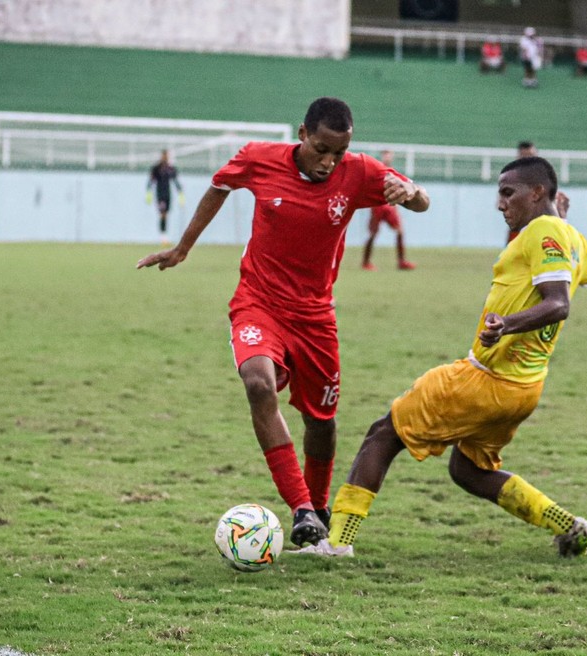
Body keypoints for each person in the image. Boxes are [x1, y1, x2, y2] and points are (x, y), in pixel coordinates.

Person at [136, 97, 430, 547]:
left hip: (315, 317)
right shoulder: (258, 158)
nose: (329, 162)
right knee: (258, 383)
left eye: (339, 152)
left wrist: (409, 193)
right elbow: (218, 187)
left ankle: (317, 506)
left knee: (322, 422)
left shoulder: (360, 171)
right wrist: (183, 247)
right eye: (321, 149)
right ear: (302, 134)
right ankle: (301, 508)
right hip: (258, 303)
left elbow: (421, 202)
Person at [294, 156, 587, 559]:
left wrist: (506, 325)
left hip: (486, 379)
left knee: (383, 434)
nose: (500, 204)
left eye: (507, 192)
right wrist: (569, 235)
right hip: (525, 389)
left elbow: (558, 304)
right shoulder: (570, 238)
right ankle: (570, 527)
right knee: (468, 471)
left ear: (538, 192)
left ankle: (337, 542)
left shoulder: (544, 231)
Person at [362, 151, 417, 271]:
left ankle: (401, 261)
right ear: (382, 157)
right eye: (386, 155)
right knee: (373, 234)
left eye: (389, 155)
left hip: (390, 205)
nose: (388, 157)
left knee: (400, 231)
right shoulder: (377, 169)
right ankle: (366, 262)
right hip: (377, 206)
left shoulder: (393, 172)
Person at [147, 150, 184, 245]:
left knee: (166, 214)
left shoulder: (171, 169)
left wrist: (180, 193)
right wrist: (148, 193)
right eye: (164, 155)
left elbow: (175, 181)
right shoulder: (156, 168)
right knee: (162, 214)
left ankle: (164, 236)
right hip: (160, 195)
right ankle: (163, 237)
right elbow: (151, 181)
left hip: (168, 194)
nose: (165, 157)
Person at [506, 141, 539, 244]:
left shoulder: (543, 175)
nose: (527, 159)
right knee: (511, 257)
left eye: (531, 156)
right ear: (518, 156)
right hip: (518, 225)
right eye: (524, 156)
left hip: (538, 225)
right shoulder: (510, 175)